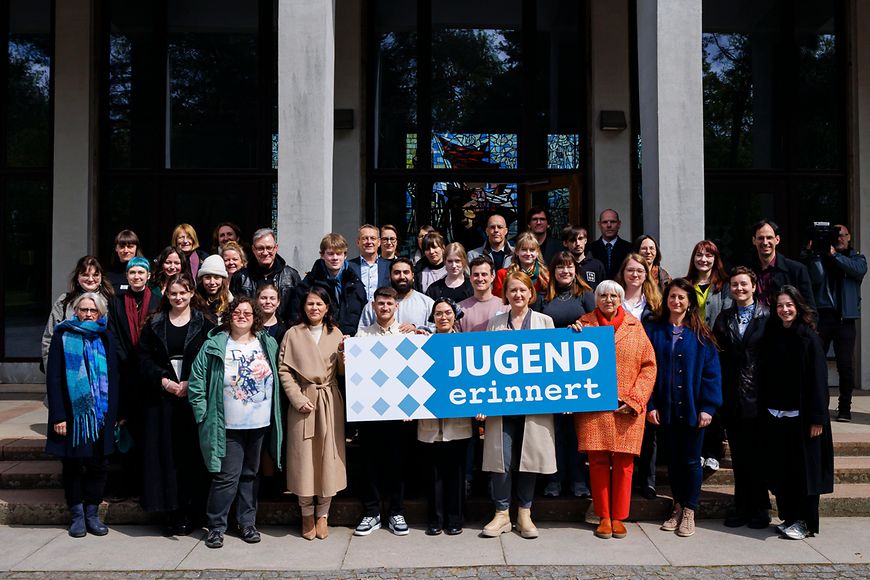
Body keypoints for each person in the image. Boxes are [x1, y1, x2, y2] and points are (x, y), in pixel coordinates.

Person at [188, 296, 283, 549]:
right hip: (226, 424)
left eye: (248, 313)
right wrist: (203, 414)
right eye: (237, 312)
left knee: (251, 475)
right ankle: (217, 526)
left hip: (259, 423)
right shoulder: (215, 344)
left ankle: (247, 523)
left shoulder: (268, 343)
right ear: (229, 315)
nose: (242, 316)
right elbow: (196, 382)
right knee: (226, 476)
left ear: (255, 318)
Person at [571, 281, 657, 539]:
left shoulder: (635, 326)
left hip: (625, 408)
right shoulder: (582, 325)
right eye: (603, 295)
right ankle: (603, 515)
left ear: (621, 299)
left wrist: (635, 399)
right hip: (594, 408)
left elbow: (649, 365)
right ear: (596, 299)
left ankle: (619, 516)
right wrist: (569, 335)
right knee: (596, 461)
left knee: (624, 462)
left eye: (613, 295)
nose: (608, 299)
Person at [481, 271, 556, 539]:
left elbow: (556, 362)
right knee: (501, 459)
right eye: (513, 290)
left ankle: (525, 513)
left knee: (529, 457)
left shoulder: (545, 321)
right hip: (502, 405)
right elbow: (485, 364)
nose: (518, 295)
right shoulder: (495, 323)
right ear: (506, 294)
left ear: (531, 293)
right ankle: (501, 514)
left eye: (523, 290)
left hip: (534, 404)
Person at [138, 273, 214, 535]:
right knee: (166, 456)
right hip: (162, 399)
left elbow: (211, 358)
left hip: (193, 398)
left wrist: (190, 382)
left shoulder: (204, 323)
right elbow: (143, 359)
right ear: (166, 295)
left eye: (183, 293)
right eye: (173, 293)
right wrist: (165, 381)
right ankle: (170, 512)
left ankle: (193, 511)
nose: (178, 297)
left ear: (192, 293)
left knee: (191, 456)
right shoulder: (154, 323)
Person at [646, 278, 722, 538]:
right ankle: (677, 506)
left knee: (691, 460)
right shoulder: (654, 331)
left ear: (689, 303)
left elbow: (711, 374)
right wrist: (651, 405)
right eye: (672, 297)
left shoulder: (700, 334)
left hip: (692, 410)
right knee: (674, 462)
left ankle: (690, 509)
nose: (676, 302)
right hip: (665, 410)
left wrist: (708, 408)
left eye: (681, 298)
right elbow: (646, 369)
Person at [759, 285, 834, 539]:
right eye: (780, 305)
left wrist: (818, 418)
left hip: (804, 419)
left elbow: (818, 381)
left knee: (805, 475)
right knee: (783, 471)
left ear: (798, 307)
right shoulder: (773, 334)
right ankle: (789, 517)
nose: (784, 310)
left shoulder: (809, 338)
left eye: (789, 305)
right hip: (777, 416)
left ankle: (805, 522)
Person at [45, 292, 119, 538]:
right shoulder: (63, 336)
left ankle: (92, 513)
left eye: (93, 310)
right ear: (75, 311)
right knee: (73, 465)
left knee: (99, 465)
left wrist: (115, 413)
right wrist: (58, 416)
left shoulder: (106, 336)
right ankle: (76, 515)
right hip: (72, 415)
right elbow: (54, 379)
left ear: (100, 313)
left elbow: (115, 377)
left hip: (100, 415)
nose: (88, 314)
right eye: (84, 310)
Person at [278, 286, 347, 540]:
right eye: (310, 304)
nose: (314, 308)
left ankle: (323, 514)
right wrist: (297, 399)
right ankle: (306, 513)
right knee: (303, 458)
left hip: (329, 400)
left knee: (328, 456)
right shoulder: (293, 334)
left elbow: (341, 372)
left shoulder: (336, 333)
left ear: (327, 307)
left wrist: (344, 356)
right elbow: (284, 370)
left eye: (319, 304)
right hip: (304, 401)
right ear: (303, 307)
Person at [354, 286, 418, 536]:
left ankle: (396, 511)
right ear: (373, 305)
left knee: (397, 463)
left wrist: (411, 404)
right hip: (369, 412)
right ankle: (371, 512)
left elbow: (413, 374)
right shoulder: (361, 336)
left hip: (399, 413)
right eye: (380, 303)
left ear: (396, 306)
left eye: (389, 304)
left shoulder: (407, 335)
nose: (385, 307)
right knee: (369, 463)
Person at [712, 267, 772, 529]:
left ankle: (760, 507)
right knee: (738, 456)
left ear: (754, 286)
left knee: (759, 455)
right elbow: (718, 356)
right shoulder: (724, 319)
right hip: (734, 396)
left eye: (744, 284)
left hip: (760, 397)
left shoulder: (768, 316)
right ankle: (741, 505)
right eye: (735, 285)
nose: (739, 289)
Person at [540, 251, 595, 499]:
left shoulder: (586, 296)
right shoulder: (543, 298)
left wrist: (584, 329)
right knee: (554, 429)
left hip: (579, 373)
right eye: (560, 267)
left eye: (569, 266)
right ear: (553, 271)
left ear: (576, 269)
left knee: (575, 429)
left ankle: (578, 480)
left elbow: (598, 327)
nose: (565, 271)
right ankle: (554, 480)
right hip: (550, 373)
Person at [801, 224, 867, 421]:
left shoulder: (857, 258)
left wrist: (834, 256)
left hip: (845, 320)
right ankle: (820, 406)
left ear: (849, 237)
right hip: (823, 318)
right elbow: (816, 278)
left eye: (843, 235)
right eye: (835, 235)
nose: (839, 238)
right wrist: (813, 255)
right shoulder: (820, 257)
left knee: (845, 366)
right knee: (816, 364)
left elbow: (857, 270)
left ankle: (845, 408)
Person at [107, 257, 161, 497]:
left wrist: (145, 360)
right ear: (127, 276)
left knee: (148, 433)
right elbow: (113, 335)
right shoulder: (116, 303)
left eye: (141, 272)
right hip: (125, 375)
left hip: (149, 377)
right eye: (132, 273)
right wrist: (128, 359)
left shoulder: (158, 301)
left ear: (148, 275)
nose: (137, 276)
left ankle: (145, 487)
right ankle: (124, 486)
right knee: (126, 432)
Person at [418, 298, 472, 536]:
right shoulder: (421, 344)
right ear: (432, 317)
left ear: (454, 316)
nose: (443, 317)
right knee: (433, 474)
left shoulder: (465, 344)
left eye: (447, 313)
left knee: (456, 473)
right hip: (429, 422)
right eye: (438, 313)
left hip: (457, 422)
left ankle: (455, 518)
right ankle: (435, 519)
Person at [686, 240, 731, 472]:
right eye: (699, 255)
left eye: (709, 255)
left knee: (713, 402)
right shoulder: (686, 284)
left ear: (715, 259)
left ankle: (714, 451)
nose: (704, 259)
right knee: (694, 400)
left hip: (716, 349)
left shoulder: (723, 286)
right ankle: (699, 450)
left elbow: (726, 316)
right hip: (691, 350)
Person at [43, 256, 116, 372]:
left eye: (95, 275)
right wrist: (51, 371)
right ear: (77, 277)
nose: (91, 279)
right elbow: (49, 338)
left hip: (102, 367)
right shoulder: (64, 302)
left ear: (101, 277)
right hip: (68, 366)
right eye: (85, 275)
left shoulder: (112, 302)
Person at [296, 233, 367, 336]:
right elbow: (297, 315)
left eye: (339, 254)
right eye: (330, 254)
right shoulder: (309, 284)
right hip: (319, 339)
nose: (335, 258)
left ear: (345, 255)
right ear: (322, 255)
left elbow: (363, 316)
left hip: (350, 341)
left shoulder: (356, 284)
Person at [230, 227, 301, 323]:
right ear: (253, 249)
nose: (265, 252)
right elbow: (233, 310)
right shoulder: (240, 278)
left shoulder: (291, 276)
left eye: (269, 248)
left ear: (276, 248)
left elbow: (297, 312)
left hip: (282, 333)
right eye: (260, 248)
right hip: (249, 332)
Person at [748, 219, 815, 312]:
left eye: (769, 237)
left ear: (777, 239)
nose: (765, 242)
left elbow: (810, 309)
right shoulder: (747, 271)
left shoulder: (797, 270)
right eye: (760, 238)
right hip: (755, 325)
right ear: (754, 240)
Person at [357, 258, 435, 333]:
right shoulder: (374, 305)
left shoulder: (427, 304)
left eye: (406, 272)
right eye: (397, 273)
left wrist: (416, 328)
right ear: (390, 277)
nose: (402, 277)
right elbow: (362, 334)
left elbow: (437, 330)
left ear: (413, 275)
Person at [493, 232, 549, 298]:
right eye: (524, 250)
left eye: (532, 250)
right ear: (517, 251)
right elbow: (498, 302)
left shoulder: (546, 276)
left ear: (537, 253)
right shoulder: (502, 275)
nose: (528, 253)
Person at [457, 256, 505, 333]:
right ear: (470, 278)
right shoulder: (459, 309)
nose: (480, 279)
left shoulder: (505, 306)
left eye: (484, 274)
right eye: (476, 275)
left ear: (492, 277)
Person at [347, 224, 392, 301]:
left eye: (373, 238)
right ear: (358, 242)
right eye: (365, 238)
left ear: (379, 242)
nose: (369, 242)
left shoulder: (389, 266)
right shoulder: (348, 266)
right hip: (357, 312)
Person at [588, 209, 632, 280]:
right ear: (599, 225)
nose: (609, 225)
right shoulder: (590, 249)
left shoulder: (630, 249)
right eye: (605, 222)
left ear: (619, 224)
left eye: (613, 222)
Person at [562, 225, 605, 290]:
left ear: (585, 240)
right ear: (565, 243)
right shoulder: (561, 266)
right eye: (573, 240)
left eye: (580, 238)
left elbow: (603, 290)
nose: (577, 243)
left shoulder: (596, 265)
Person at [195, 255, 233, 323]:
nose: (212, 282)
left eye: (216, 277)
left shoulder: (230, 301)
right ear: (202, 279)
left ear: (223, 280)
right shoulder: (194, 299)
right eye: (207, 277)